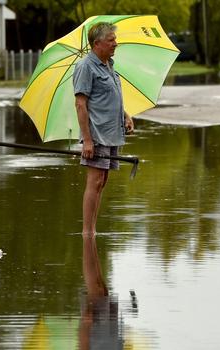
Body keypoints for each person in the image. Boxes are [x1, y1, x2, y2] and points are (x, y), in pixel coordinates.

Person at [73, 22, 134, 237]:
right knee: (95, 180)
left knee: (103, 181)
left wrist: (126, 115)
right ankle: (87, 232)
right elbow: (81, 104)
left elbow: (109, 97)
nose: (115, 43)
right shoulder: (85, 67)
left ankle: (92, 230)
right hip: (97, 134)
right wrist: (87, 140)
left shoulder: (108, 65)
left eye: (114, 39)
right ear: (97, 43)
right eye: (111, 40)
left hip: (111, 133)